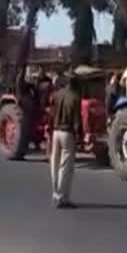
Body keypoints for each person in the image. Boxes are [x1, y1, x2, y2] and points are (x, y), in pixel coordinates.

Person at [50, 73, 82, 209]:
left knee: (54, 163)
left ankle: (55, 192)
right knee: (65, 166)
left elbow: (51, 111)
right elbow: (76, 120)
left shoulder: (57, 94)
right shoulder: (75, 97)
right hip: (67, 133)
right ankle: (62, 198)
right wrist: (79, 135)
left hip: (56, 131)